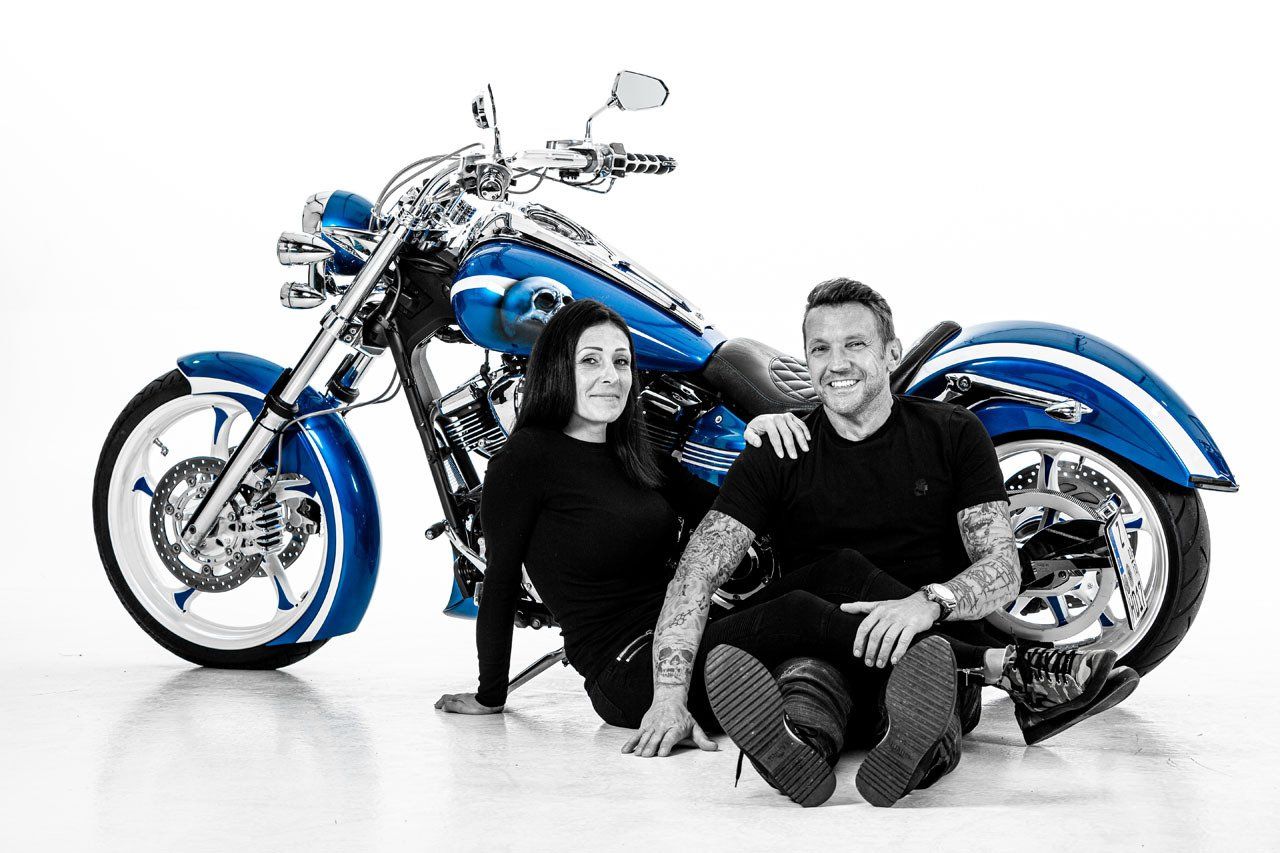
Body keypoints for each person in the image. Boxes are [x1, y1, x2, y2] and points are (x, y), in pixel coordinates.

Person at [628, 278, 1139, 807]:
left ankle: (913, 748)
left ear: (892, 353)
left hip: (927, 660)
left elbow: (1003, 568)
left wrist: (926, 604)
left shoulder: (952, 433)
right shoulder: (779, 450)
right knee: (807, 689)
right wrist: (668, 698)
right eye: (820, 349)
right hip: (819, 653)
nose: (836, 363)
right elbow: (697, 574)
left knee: (926, 700)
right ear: (806, 360)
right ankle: (804, 749)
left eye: (855, 344)